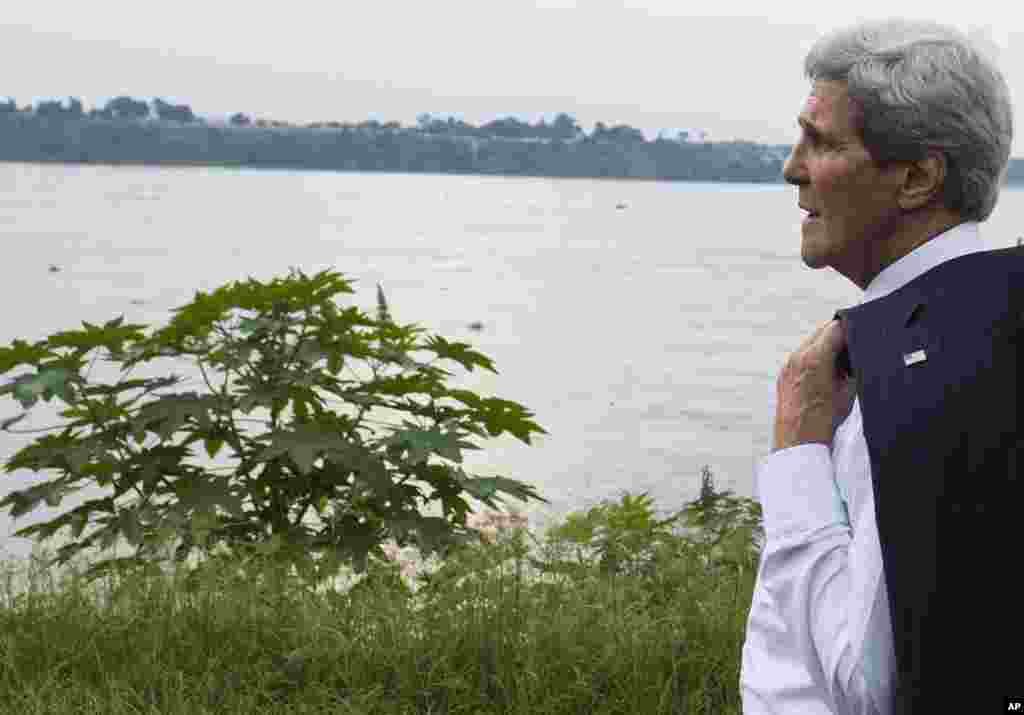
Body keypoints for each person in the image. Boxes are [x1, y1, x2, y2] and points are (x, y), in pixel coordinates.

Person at [740, 17, 1018, 715]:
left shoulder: (912, 369)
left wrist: (800, 447)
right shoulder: (990, 324)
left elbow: (873, 686)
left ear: (919, 177)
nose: (791, 166)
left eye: (821, 141)